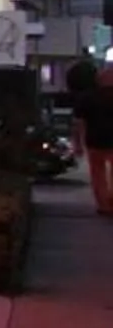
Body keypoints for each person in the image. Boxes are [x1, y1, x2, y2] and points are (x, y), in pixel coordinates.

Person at [69, 60, 113, 216]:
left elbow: (78, 123)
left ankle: (104, 205)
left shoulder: (86, 97)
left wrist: (77, 144)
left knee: (97, 174)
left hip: (94, 141)